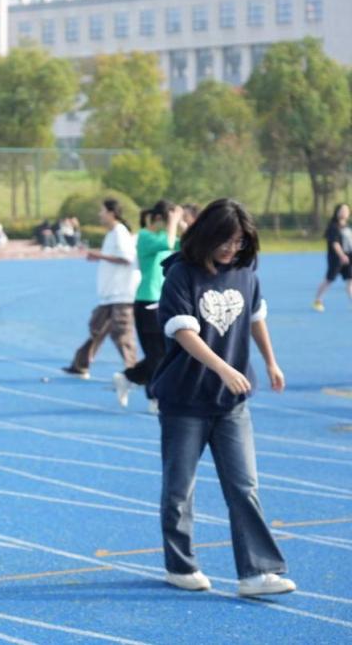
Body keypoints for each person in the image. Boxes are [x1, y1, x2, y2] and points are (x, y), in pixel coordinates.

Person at [150, 198, 295, 597]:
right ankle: (180, 566)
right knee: (179, 490)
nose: (232, 249)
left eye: (240, 241)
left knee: (244, 487)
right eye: (226, 241)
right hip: (184, 402)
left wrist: (271, 362)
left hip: (232, 405)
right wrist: (223, 368)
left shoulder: (246, 272)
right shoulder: (181, 274)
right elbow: (184, 332)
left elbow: (255, 317)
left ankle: (257, 572)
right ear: (207, 236)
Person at [113, 200, 184, 411]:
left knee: (165, 351)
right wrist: (173, 223)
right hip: (147, 301)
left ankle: (129, 377)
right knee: (157, 353)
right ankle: (155, 397)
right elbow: (168, 244)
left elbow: (189, 245)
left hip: (163, 301)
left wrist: (182, 224)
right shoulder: (145, 236)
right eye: (170, 219)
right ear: (160, 218)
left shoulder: (166, 235)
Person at [62, 199, 139, 380]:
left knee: (122, 334)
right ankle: (80, 364)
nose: (100, 215)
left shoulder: (120, 233)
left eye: (102, 211)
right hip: (110, 294)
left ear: (111, 213)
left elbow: (127, 258)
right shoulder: (112, 233)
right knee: (97, 329)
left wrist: (100, 256)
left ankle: (134, 371)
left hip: (122, 294)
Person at [312, 202, 352, 312]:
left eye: (346, 210)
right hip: (337, 258)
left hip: (349, 257)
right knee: (329, 280)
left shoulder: (347, 227)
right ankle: (317, 300)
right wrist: (342, 255)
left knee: (350, 280)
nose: (344, 212)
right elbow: (335, 243)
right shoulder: (333, 227)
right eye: (342, 210)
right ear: (337, 212)